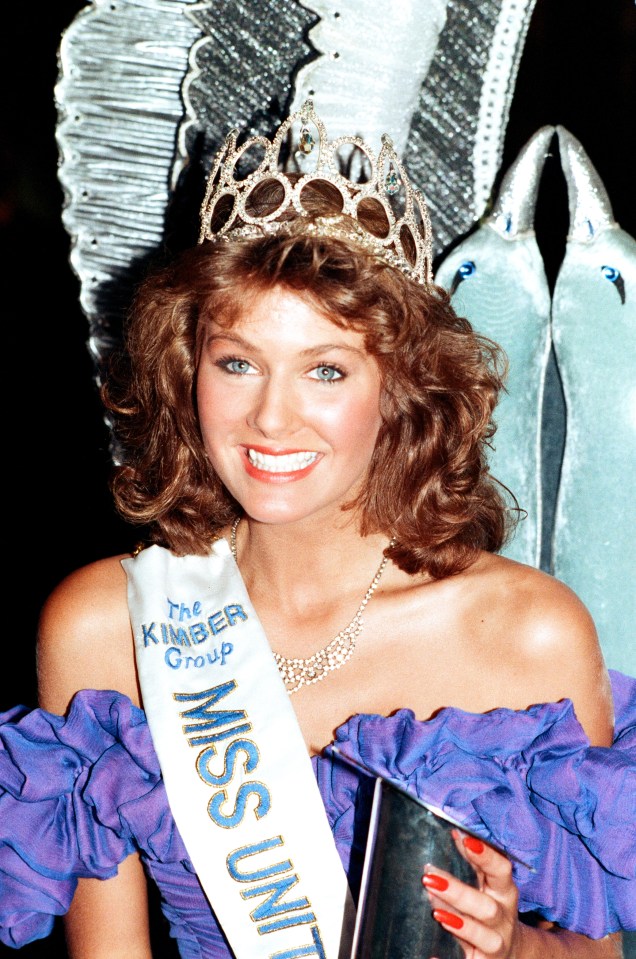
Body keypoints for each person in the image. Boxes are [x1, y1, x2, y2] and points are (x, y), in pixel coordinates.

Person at [1, 100, 634, 959]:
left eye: (325, 370)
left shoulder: (523, 634)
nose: (270, 418)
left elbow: (596, 947)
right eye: (237, 363)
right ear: (187, 369)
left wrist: (512, 947)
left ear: (403, 386)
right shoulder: (106, 626)